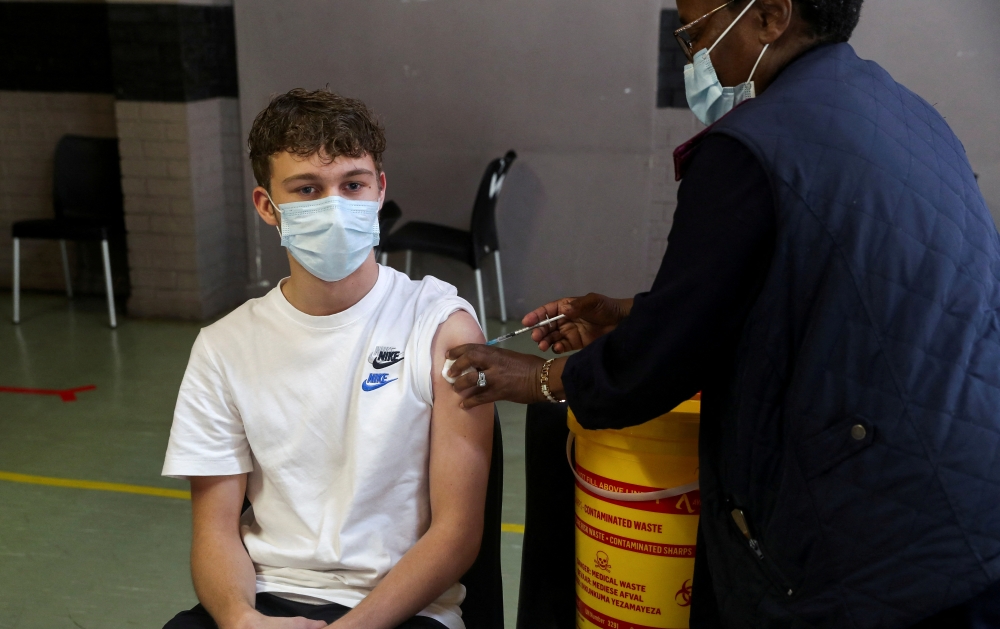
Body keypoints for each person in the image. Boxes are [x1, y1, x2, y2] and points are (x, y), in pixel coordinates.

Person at [446, 0, 1000, 627]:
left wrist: (539, 378)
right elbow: (817, 287)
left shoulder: (752, 146)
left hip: (874, 542)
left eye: (697, 31)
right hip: (971, 501)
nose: (693, 56)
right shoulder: (906, 114)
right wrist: (634, 314)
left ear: (770, 16)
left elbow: (663, 362)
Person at [161, 88, 493, 629]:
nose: (335, 207)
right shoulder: (223, 346)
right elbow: (215, 531)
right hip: (267, 595)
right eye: (309, 189)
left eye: (353, 185)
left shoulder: (440, 327)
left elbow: (456, 534)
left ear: (380, 190)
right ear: (268, 206)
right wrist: (243, 621)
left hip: (400, 608)